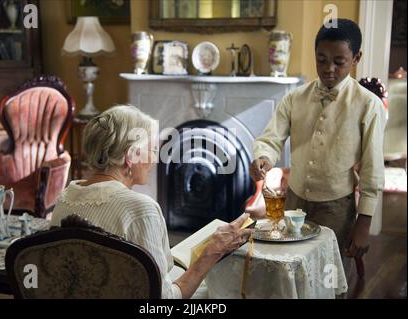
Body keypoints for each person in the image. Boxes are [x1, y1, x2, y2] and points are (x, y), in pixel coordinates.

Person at [50, 105, 254, 299]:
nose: (155, 159)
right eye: (153, 150)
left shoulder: (65, 197)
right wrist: (211, 252)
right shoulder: (140, 209)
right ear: (131, 156)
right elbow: (162, 300)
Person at [250, 19, 386, 275]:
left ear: (356, 58)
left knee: (328, 276)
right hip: (293, 200)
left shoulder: (368, 105)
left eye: (339, 61)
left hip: (337, 208)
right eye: (321, 60)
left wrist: (364, 223)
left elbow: (372, 168)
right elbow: (271, 138)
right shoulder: (294, 97)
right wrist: (263, 157)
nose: (329, 69)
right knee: (289, 269)